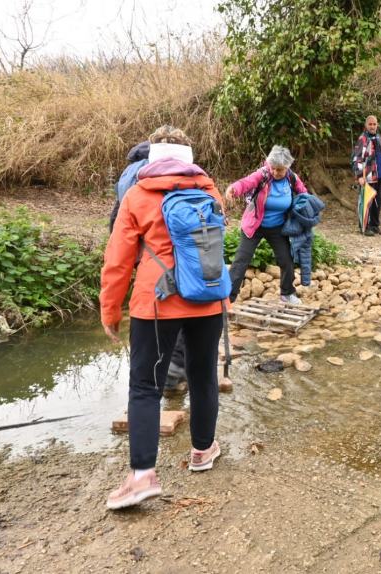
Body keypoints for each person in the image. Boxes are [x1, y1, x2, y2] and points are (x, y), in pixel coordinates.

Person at [100, 125, 226, 509]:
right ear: (188, 154)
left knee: (144, 387)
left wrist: (110, 310)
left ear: (152, 154)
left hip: (156, 303)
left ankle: (141, 477)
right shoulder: (208, 189)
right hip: (208, 300)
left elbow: (118, 259)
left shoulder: (138, 195)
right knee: (203, 375)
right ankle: (203, 452)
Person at [109, 139, 187, 397]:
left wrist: (110, 310)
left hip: (145, 258)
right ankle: (174, 370)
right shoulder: (182, 176)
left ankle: (157, 371)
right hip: (177, 261)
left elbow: (118, 215)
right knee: (180, 312)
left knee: (154, 317)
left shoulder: (129, 175)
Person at [225, 145, 308, 305]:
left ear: (287, 168)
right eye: (274, 168)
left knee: (286, 260)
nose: (276, 172)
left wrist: (305, 207)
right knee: (241, 260)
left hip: (278, 227)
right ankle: (227, 298)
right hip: (255, 225)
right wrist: (233, 189)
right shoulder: (262, 174)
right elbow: (246, 183)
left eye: (280, 170)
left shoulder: (291, 178)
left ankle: (287, 293)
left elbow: (303, 193)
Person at [351, 115, 381, 236]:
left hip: (379, 175)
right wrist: (359, 176)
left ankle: (374, 225)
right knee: (366, 201)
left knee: (377, 201)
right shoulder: (363, 139)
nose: (372, 126)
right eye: (370, 124)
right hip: (367, 175)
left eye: (374, 124)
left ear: (377, 125)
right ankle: (364, 227)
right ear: (366, 126)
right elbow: (356, 159)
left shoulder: (378, 137)